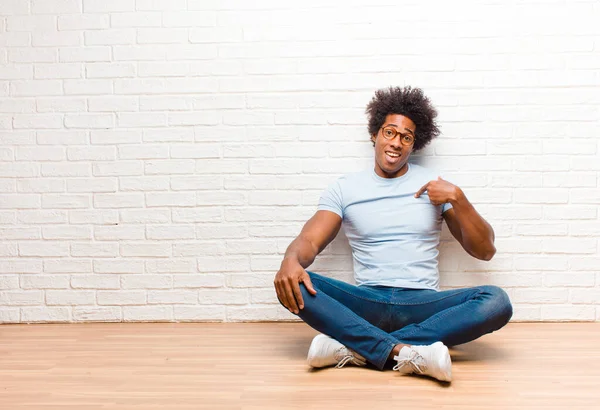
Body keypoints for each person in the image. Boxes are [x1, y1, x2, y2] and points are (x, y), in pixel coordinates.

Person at [273, 86, 513, 383]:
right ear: (374, 134)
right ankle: (406, 352)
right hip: (365, 302)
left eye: (406, 137)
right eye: (389, 132)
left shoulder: (434, 188)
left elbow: (484, 250)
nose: (396, 142)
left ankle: (357, 346)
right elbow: (310, 241)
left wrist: (459, 199)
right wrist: (290, 259)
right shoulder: (345, 188)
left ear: (414, 144)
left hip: (422, 305)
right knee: (294, 281)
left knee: (496, 301)